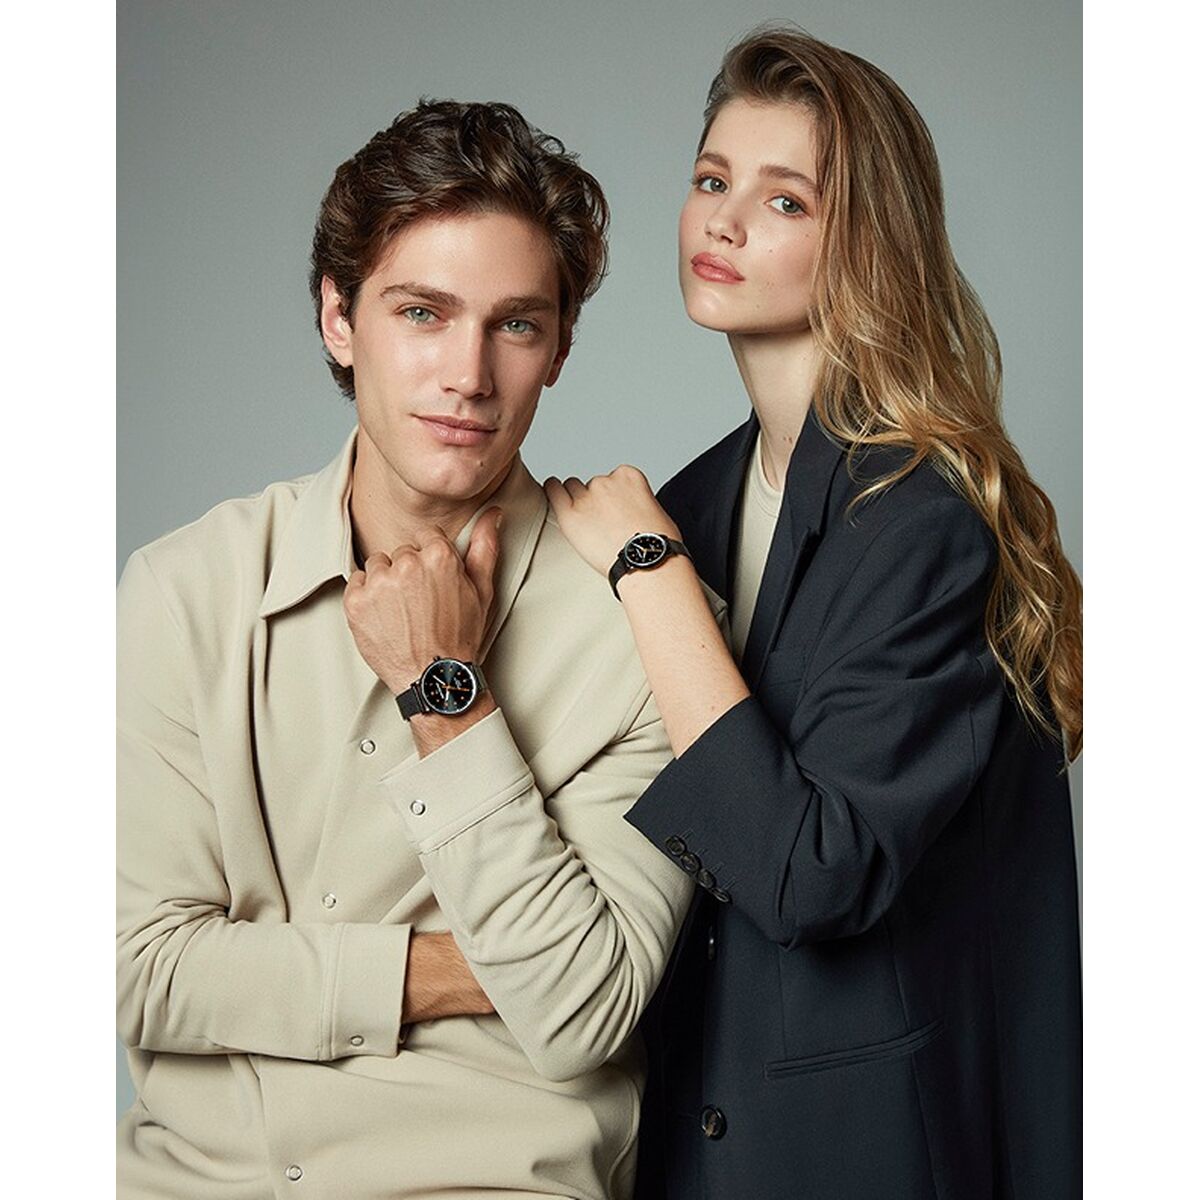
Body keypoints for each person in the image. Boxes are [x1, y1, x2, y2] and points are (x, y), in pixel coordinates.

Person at [116, 99, 693, 1200]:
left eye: (515, 325)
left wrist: (449, 696)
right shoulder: (185, 591)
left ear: (560, 348)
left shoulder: (647, 629)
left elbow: (578, 1011)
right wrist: (452, 971)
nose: (468, 374)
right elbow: (132, 968)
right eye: (423, 313)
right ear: (338, 319)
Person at [547, 26, 1082, 1200]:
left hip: (862, 1156)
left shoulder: (923, 519)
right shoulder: (698, 500)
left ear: (865, 242)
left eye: (784, 200)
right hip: (691, 1141)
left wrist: (647, 570)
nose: (725, 222)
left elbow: (812, 874)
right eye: (711, 180)